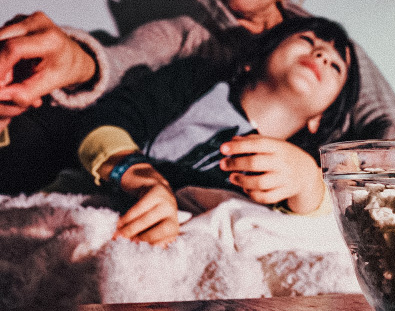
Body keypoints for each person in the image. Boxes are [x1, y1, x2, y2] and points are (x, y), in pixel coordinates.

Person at [0, 0, 395, 193]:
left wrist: (315, 186)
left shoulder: (337, 53)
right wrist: (76, 60)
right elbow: (120, 61)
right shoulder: (185, 37)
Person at [71, 15, 359, 246]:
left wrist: (307, 180)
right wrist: (140, 178)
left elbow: (325, 215)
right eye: (308, 40)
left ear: (319, 119)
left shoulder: (307, 166)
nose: (322, 54)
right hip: (102, 208)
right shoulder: (196, 79)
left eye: (335, 65)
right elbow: (105, 120)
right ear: (254, 59)